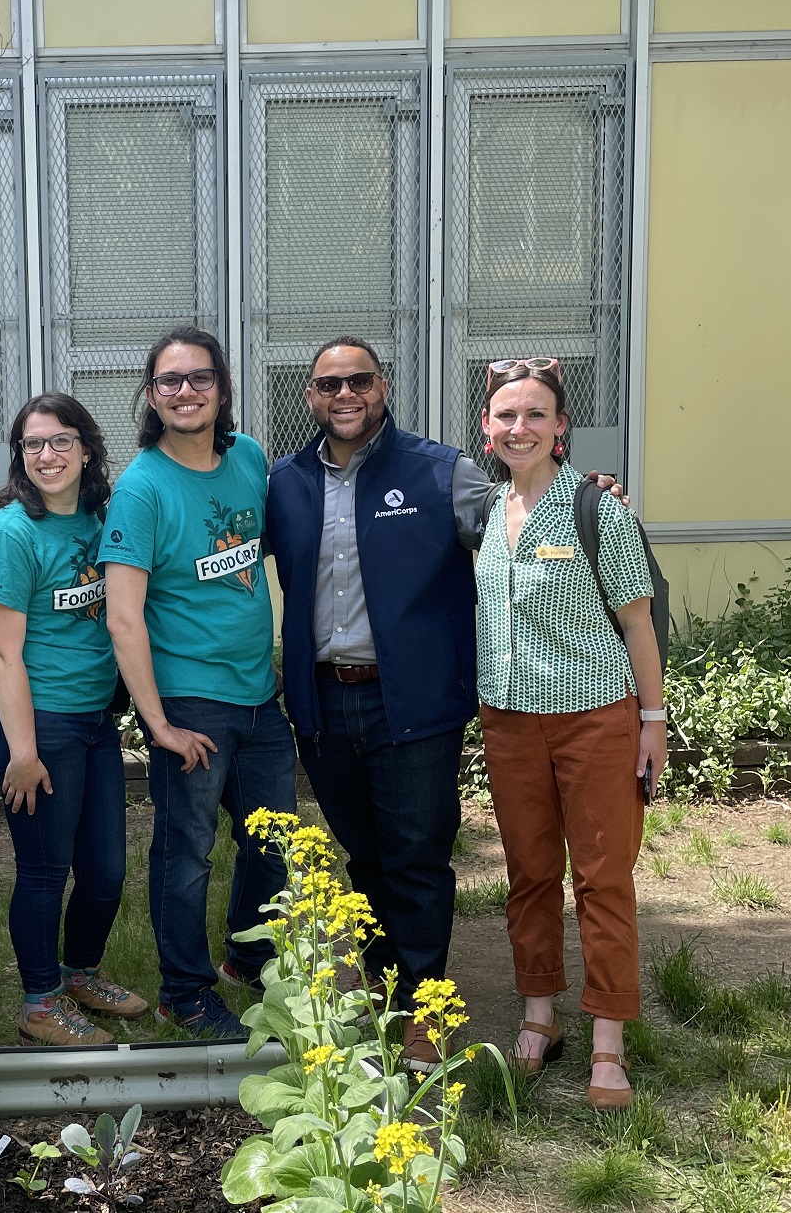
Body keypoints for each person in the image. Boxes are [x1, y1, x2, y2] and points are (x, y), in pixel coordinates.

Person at [264, 336, 626, 1068]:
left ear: (383, 388)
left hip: (414, 706)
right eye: (328, 383)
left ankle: (424, 1008)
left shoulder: (441, 472)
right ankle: (381, 990)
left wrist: (590, 495)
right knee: (361, 859)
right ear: (309, 396)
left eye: (358, 381)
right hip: (324, 705)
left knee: (417, 860)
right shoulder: (285, 484)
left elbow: (525, 515)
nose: (344, 394)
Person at [476, 361, 666, 1110]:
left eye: (535, 415)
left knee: (601, 877)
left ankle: (609, 1041)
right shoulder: (487, 512)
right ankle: (539, 1017)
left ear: (560, 428)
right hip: (510, 720)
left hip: (595, 720)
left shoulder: (599, 511)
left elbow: (638, 623)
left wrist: (653, 724)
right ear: (486, 429)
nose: (518, 427)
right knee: (527, 873)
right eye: (505, 416)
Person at [100, 326, 297, 1042]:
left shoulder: (247, 459)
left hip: (258, 695)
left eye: (200, 378)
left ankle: (249, 959)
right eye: (169, 382)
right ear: (151, 396)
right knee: (186, 853)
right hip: (191, 701)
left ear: (222, 388)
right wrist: (157, 724)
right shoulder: (142, 489)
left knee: (271, 841)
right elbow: (123, 618)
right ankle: (184, 991)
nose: (186, 392)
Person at [0, 393, 146, 1047]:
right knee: (46, 868)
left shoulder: (99, 521)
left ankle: (80, 973)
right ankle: (40, 1000)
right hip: (37, 724)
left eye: (60, 441)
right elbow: (2, 651)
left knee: (104, 870)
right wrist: (23, 751)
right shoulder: (12, 532)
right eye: (32, 444)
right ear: (20, 456)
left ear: (88, 449)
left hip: (93, 720)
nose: (47, 455)